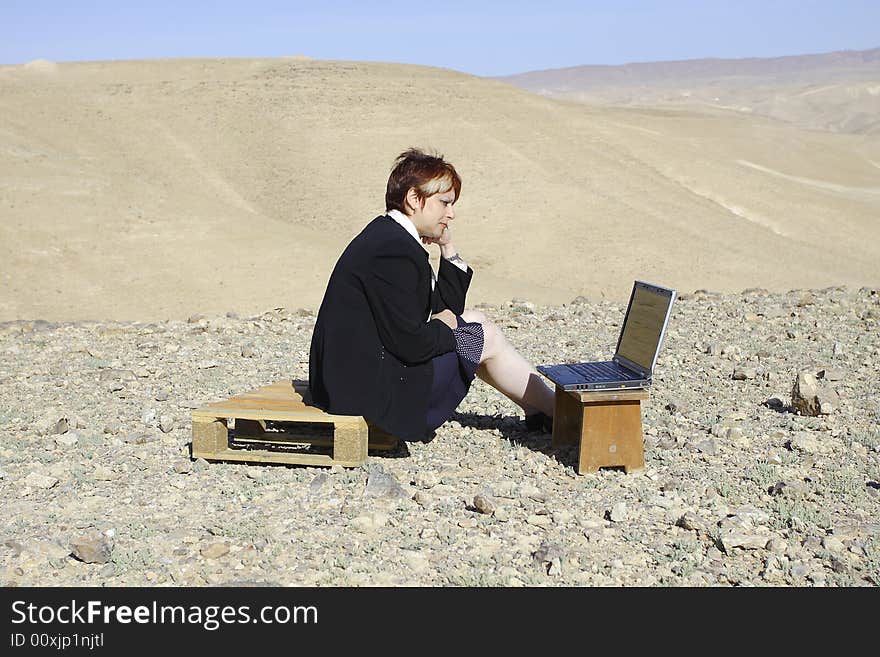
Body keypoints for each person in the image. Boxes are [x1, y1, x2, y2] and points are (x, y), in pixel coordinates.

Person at [308, 147, 555, 442]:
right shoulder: (393, 252)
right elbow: (411, 344)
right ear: (414, 199)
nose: (451, 213)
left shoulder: (389, 236)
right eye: (444, 203)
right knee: (484, 336)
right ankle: (563, 412)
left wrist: (446, 248)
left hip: (358, 378)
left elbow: (445, 310)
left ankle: (539, 409)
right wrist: (448, 328)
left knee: (476, 321)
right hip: (368, 392)